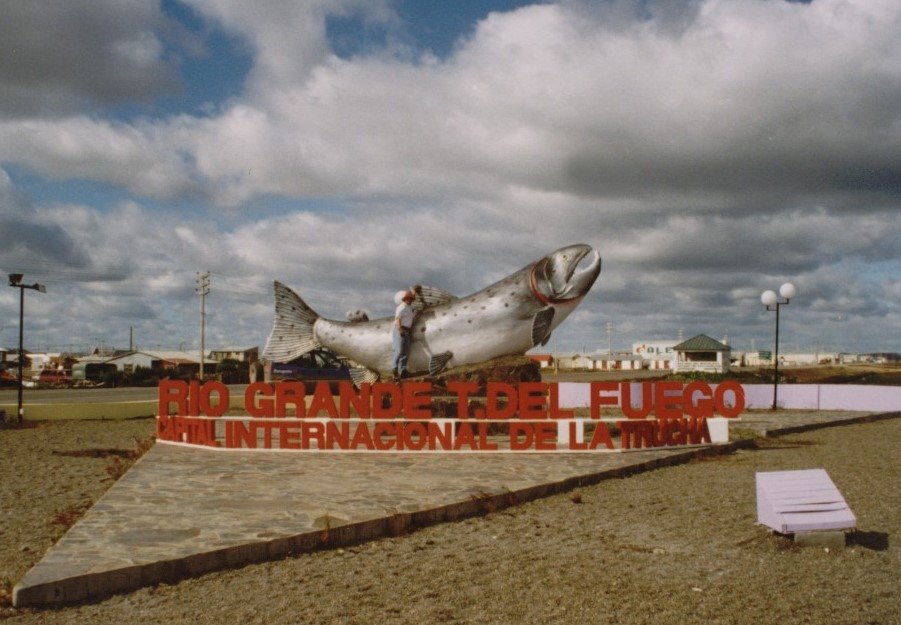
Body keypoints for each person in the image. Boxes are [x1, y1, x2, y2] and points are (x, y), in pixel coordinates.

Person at [392, 290, 416, 378]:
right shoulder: (401, 307)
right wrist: (400, 329)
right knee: (399, 350)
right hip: (400, 329)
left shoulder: (410, 307)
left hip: (408, 330)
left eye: (411, 299)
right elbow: (398, 318)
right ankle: (394, 368)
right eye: (407, 298)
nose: (409, 300)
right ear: (404, 299)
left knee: (405, 351)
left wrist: (414, 292)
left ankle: (402, 370)